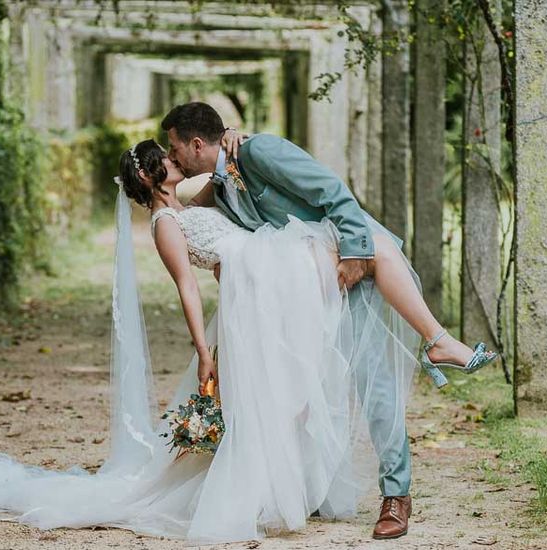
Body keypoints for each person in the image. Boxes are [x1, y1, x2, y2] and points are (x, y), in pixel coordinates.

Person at [158, 101, 499, 539]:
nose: (174, 157)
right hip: (300, 295)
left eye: (175, 147)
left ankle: (397, 495)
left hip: (345, 270)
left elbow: (331, 190)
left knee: (372, 381)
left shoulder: (260, 152)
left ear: (196, 143)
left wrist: (357, 252)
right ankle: (302, 491)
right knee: (303, 392)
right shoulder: (222, 183)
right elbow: (183, 207)